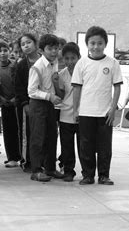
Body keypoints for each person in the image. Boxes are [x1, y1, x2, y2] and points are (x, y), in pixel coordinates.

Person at [72, 26, 123, 185]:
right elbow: (77, 88)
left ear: (105, 44)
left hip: (105, 114)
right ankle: (88, 175)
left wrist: (113, 109)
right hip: (86, 112)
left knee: (104, 146)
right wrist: (76, 110)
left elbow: (117, 87)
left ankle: (103, 175)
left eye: (99, 43)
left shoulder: (113, 63)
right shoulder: (82, 63)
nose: (96, 46)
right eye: (92, 43)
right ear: (87, 44)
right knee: (85, 145)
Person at [27, 33, 64, 182]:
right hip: (38, 104)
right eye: (50, 49)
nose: (54, 52)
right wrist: (49, 96)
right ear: (41, 50)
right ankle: (36, 170)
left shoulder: (54, 63)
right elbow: (31, 91)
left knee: (51, 136)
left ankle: (50, 168)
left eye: (56, 48)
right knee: (38, 137)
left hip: (50, 105)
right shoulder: (37, 67)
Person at [15, 33, 40, 172]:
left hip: (43, 103)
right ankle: (27, 160)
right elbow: (18, 87)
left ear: (36, 43)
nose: (26, 46)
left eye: (28, 42)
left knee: (41, 132)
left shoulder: (45, 61)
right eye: (23, 44)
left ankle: (42, 160)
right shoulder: (21, 65)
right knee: (26, 132)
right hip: (27, 104)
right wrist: (25, 104)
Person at [57, 42, 81, 181]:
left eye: (73, 58)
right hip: (65, 114)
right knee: (67, 146)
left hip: (81, 115)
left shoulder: (84, 73)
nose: (70, 61)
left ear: (79, 57)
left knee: (83, 146)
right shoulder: (61, 75)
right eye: (66, 58)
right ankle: (68, 171)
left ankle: (86, 172)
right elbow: (61, 95)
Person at [0, 41, 21, 168]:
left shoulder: (15, 66)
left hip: (17, 103)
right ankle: (11, 157)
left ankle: (21, 156)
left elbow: (20, 84)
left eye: (5, 50)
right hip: (4, 103)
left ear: (9, 51)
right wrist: (0, 98)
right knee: (7, 131)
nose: (2, 53)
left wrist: (15, 98)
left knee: (19, 130)